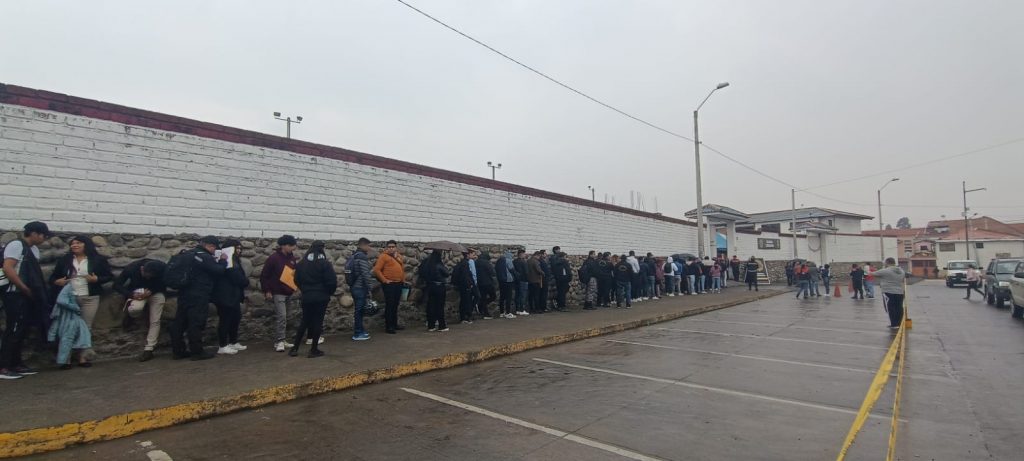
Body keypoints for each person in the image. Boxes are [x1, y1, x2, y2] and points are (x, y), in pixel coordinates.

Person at [48, 235, 113, 366]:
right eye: (72, 243)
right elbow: (53, 278)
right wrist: (57, 281)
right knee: (67, 328)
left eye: (78, 243)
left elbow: (108, 276)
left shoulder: (97, 260)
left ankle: (83, 357)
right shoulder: (65, 260)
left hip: (89, 297)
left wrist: (96, 280)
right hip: (69, 299)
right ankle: (66, 358)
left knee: (85, 327)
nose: (74, 245)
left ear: (86, 245)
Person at [1, 221, 52, 379]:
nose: (44, 239)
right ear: (34, 233)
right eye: (43, 235)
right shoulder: (16, 245)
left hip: (27, 294)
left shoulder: (33, 250)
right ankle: (4, 366)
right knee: (14, 328)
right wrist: (23, 287)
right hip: (14, 293)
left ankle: (16, 363)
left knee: (23, 328)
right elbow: (8, 267)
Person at [170, 236, 226, 361]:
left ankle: (178, 350)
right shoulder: (204, 257)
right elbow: (218, 271)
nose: (214, 250)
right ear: (210, 246)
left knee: (180, 322)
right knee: (196, 322)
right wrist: (223, 261)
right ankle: (197, 351)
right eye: (214, 248)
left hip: (184, 292)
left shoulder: (188, 254)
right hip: (199, 294)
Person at [113, 259, 167, 362]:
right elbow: (116, 285)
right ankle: (131, 315)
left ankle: (149, 348)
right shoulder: (131, 268)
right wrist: (131, 295)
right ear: (142, 269)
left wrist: (151, 291)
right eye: (146, 275)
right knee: (135, 309)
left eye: (151, 276)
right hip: (137, 292)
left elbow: (165, 282)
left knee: (155, 319)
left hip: (156, 292)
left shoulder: (162, 268)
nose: (147, 278)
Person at [289, 241, 336, 358]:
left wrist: (304, 290)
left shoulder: (301, 264)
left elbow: (296, 280)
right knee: (317, 322)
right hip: (321, 297)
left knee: (304, 321)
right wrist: (328, 292)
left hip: (307, 296)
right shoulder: (324, 263)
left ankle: (295, 348)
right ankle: (313, 349)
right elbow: (332, 282)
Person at [260, 235, 298, 352]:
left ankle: (283, 338)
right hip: (278, 292)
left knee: (288, 316)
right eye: (291, 245)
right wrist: (267, 290)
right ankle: (279, 341)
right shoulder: (273, 258)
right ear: (284, 246)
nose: (293, 248)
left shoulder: (292, 258)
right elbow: (264, 275)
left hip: (289, 291)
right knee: (281, 316)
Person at [212, 239, 249, 356]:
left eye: (239, 248)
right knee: (225, 320)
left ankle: (233, 341)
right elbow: (237, 277)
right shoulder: (228, 262)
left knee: (235, 319)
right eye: (236, 248)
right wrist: (244, 281)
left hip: (234, 296)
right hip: (225, 296)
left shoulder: (235, 261)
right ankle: (223, 345)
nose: (238, 250)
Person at [47, 285, 92, 370]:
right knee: (66, 340)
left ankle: (82, 358)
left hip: (77, 318)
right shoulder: (68, 287)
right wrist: (74, 307)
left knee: (84, 338)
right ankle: (66, 361)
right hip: (68, 320)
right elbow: (61, 301)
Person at [373, 240, 406, 334]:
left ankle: (395, 324)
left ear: (396, 248)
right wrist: (384, 280)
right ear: (386, 248)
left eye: (393, 247)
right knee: (390, 305)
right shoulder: (383, 256)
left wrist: (403, 280)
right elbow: (377, 270)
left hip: (398, 283)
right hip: (389, 284)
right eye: (389, 247)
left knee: (395, 305)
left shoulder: (398, 256)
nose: (391, 248)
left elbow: (402, 269)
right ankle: (389, 326)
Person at [348, 238, 374, 341]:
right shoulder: (362, 257)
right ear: (363, 245)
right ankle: (358, 333)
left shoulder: (354, 256)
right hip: (359, 287)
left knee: (359, 310)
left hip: (354, 286)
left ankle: (360, 330)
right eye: (368, 245)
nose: (369, 248)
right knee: (359, 311)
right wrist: (370, 287)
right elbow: (365, 274)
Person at [419, 250, 450, 331]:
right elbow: (447, 273)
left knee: (430, 306)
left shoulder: (427, 264)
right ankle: (442, 325)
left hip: (430, 286)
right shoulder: (439, 264)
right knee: (439, 307)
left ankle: (431, 326)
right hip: (439, 286)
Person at [873, 258, 907, 329]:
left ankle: (894, 324)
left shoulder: (885, 270)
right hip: (899, 292)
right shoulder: (901, 271)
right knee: (899, 307)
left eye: (885, 263)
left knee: (890, 308)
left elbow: (872, 274)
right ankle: (899, 323)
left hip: (888, 292)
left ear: (887, 263)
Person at [452, 248, 479, 323]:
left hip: (463, 285)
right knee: (466, 301)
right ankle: (465, 317)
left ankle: (465, 316)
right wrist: (469, 284)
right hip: (466, 286)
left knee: (465, 301)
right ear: (468, 254)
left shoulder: (463, 263)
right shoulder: (465, 264)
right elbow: (466, 276)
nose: (474, 255)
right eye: (472, 254)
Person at [495, 249, 517, 319]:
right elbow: (512, 269)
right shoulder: (508, 260)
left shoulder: (498, 261)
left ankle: (502, 313)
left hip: (501, 281)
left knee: (502, 297)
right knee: (509, 297)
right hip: (508, 281)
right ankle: (508, 312)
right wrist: (517, 276)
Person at [475, 251, 497, 319]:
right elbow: (492, 272)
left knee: (483, 297)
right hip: (488, 282)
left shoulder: (476, 262)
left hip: (480, 283)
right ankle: (482, 307)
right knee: (493, 296)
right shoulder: (486, 262)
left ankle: (484, 312)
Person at [513, 249, 530, 316]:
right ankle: (522, 310)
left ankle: (517, 310)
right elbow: (526, 272)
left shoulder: (514, 261)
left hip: (516, 280)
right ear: (522, 254)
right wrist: (528, 280)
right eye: (524, 254)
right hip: (523, 280)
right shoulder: (523, 262)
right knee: (523, 295)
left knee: (517, 295)